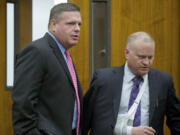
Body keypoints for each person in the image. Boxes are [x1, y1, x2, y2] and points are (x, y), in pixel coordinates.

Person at [83, 32, 180, 135]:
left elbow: (176, 120)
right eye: (141, 57)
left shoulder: (163, 81)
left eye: (150, 57)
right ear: (126, 53)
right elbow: (86, 118)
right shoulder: (104, 79)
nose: (146, 62)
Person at [12, 3, 83, 135]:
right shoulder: (36, 51)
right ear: (53, 25)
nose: (77, 29)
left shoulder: (64, 54)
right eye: (71, 23)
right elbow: (23, 105)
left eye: (79, 24)